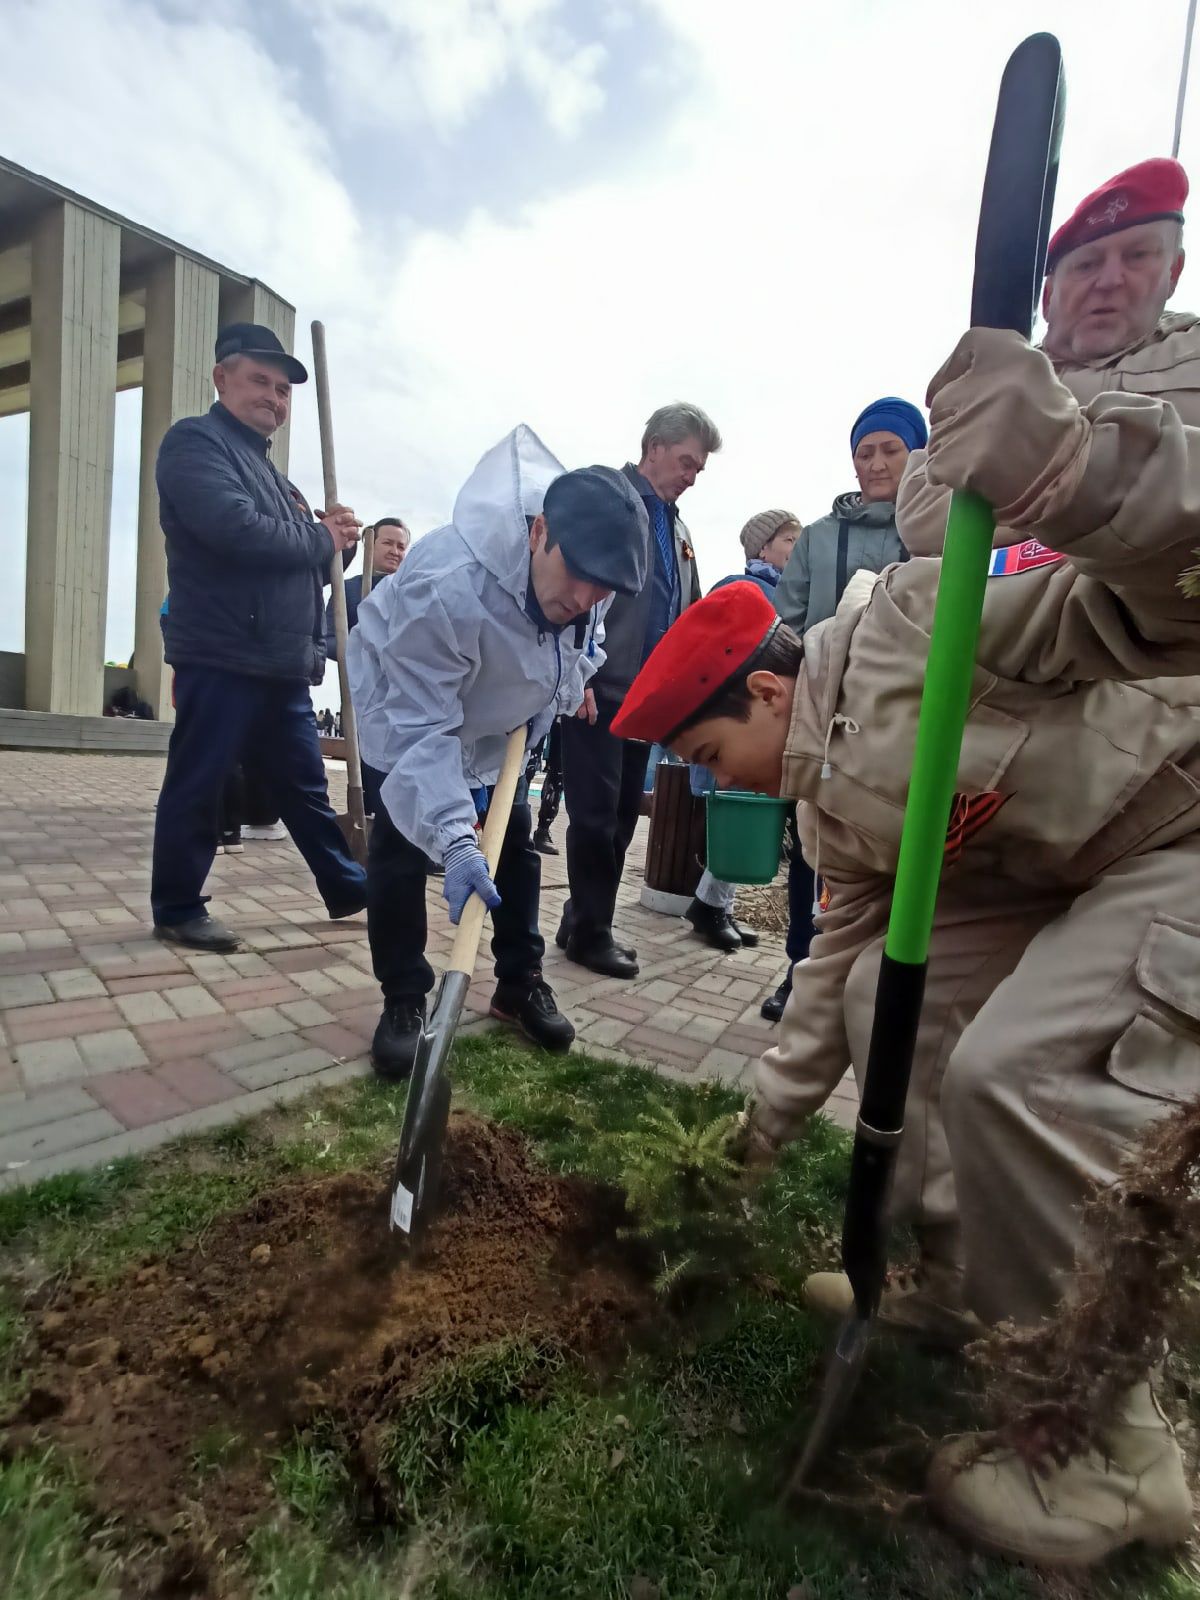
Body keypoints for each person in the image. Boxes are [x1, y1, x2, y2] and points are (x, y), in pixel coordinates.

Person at [610, 329, 1200, 1565]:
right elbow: (829, 984)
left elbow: (1134, 613)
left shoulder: (922, 621)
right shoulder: (832, 806)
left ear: (766, 695)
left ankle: (1118, 1452)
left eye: (715, 760)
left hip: (1175, 827)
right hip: (1073, 858)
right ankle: (956, 1288)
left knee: (1019, 1078)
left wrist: (1070, 482)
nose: (725, 787)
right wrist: (752, 1143)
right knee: (895, 1001)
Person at [348, 425, 649, 1079]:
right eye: (580, 579)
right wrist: (455, 839)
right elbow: (421, 731)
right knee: (402, 850)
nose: (585, 601)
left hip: (492, 716)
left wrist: (574, 684)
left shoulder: (585, 582)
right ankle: (403, 998)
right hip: (406, 709)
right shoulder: (446, 585)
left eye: (603, 591)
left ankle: (519, 982)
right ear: (539, 531)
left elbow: (573, 646)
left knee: (512, 841)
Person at [150, 323, 367, 952]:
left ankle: (347, 884)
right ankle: (178, 904)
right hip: (222, 653)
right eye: (260, 381)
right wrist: (320, 537)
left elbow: (309, 562)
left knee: (303, 784)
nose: (275, 396)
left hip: (278, 661)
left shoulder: (282, 481)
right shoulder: (196, 445)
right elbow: (236, 532)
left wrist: (339, 545)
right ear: (222, 378)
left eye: (284, 389)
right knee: (202, 778)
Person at [762, 399, 927, 1020]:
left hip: (905, 717)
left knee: (895, 850)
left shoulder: (935, 529)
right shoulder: (818, 538)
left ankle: (887, 981)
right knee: (815, 849)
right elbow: (789, 620)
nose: (877, 462)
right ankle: (800, 973)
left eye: (890, 448)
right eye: (865, 451)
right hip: (823, 719)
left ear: (917, 454)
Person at [558, 402, 720, 978]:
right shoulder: (610, 498)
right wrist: (574, 671)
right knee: (596, 816)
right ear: (653, 447)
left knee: (624, 813)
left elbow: (689, 611)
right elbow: (568, 580)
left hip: (646, 697)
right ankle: (592, 935)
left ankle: (579, 917)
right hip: (596, 687)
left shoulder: (678, 529)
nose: (692, 475)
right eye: (685, 461)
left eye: (698, 468)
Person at [683, 510, 799, 951]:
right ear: (762, 547)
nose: (795, 547)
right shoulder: (745, 589)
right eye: (788, 539)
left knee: (749, 814)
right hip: (739, 725)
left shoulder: (781, 592)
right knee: (740, 815)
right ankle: (710, 907)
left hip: (755, 724)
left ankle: (716, 906)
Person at [323, 516, 410, 661]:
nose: (394, 551)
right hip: (360, 680)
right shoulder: (346, 589)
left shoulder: (412, 590)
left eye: (401, 547)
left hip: (403, 680)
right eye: (388, 543)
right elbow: (328, 640)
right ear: (370, 545)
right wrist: (359, 646)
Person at [531, 718, 563, 853]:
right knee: (527, 765)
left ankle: (543, 829)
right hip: (536, 709)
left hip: (565, 717)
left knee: (559, 774)